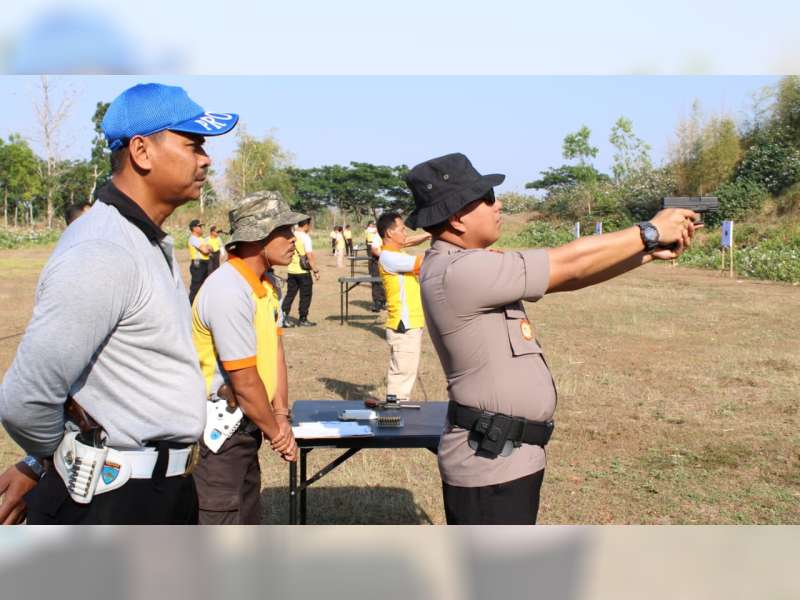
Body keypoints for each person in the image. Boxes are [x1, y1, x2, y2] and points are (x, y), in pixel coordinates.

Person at [404, 152, 699, 525]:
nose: (499, 205)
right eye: (489, 198)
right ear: (458, 217)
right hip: (490, 463)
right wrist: (648, 231)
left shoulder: (466, 264)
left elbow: (570, 277)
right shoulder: (462, 271)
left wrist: (645, 253)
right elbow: (567, 263)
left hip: (505, 456)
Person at [0, 82, 239, 524]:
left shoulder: (144, 241)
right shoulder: (103, 251)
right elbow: (25, 399)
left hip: (158, 493)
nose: (206, 158)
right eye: (192, 144)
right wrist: (64, 458)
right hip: (113, 502)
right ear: (142, 152)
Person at [191, 191, 303, 524]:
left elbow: (276, 352)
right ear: (257, 235)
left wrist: (280, 413)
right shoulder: (228, 290)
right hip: (219, 435)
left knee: (247, 515)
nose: (292, 239)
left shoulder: (266, 285)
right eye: (284, 231)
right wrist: (279, 434)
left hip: (248, 427)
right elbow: (244, 380)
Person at [376, 212, 431, 401]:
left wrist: (431, 235)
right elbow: (424, 263)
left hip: (411, 324)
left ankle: (398, 413)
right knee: (401, 377)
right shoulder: (389, 257)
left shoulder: (397, 252)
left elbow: (410, 242)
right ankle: (395, 416)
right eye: (401, 229)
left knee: (406, 373)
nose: (405, 232)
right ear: (390, 233)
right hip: (403, 325)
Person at [282, 217, 320, 328]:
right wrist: (315, 270)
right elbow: (309, 255)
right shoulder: (305, 237)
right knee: (305, 295)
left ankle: (282, 318)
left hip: (291, 270)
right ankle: (303, 319)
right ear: (306, 225)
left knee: (290, 295)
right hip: (303, 271)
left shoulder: (291, 235)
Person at [188, 219, 211, 302]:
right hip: (197, 262)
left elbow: (211, 248)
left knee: (204, 284)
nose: (201, 228)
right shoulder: (193, 238)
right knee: (196, 285)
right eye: (199, 226)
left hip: (205, 262)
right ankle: (191, 304)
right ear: (194, 228)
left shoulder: (201, 239)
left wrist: (207, 248)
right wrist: (207, 248)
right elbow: (205, 251)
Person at [368, 222, 386, 312]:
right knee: (376, 282)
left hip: (385, 262)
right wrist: (384, 256)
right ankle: (376, 303)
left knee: (384, 282)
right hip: (376, 261)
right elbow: (374, 250)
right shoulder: (377, 236)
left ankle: (383, 302)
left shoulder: (386, 237)